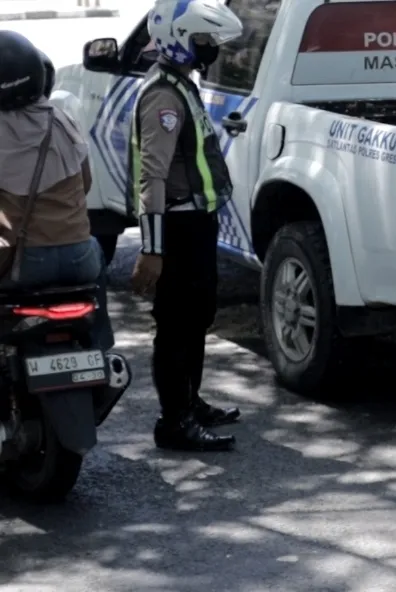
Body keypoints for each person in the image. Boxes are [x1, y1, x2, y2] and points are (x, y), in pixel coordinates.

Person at [129, 0, 244, 452]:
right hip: (177, 227)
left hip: (197, 223)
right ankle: (174, 422)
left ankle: (189, 401)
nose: (209, 48)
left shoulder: (181, 84)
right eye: (202, 40)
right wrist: (152, 248)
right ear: (179, 41)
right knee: (177, 325)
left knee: (197, 317)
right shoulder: (163, 96)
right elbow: (151, 175)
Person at [0, 33, 130, 397]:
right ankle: (101, 346)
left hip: (24, 263)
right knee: (94, 264)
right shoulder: (63, 120)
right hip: (80, 255)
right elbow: (85, 183)